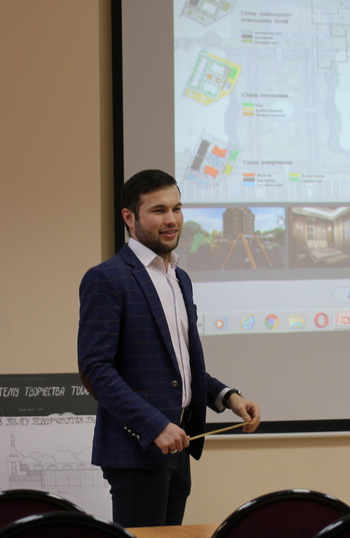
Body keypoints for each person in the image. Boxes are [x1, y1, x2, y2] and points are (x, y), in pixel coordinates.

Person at [77, 169, 261, 528]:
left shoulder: (179, 278)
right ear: (129, 217)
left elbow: (180, 365)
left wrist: (228, 396)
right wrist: (154, 425)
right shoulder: (107, 278)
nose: (172, 220)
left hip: (179, 445)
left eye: (177, 209)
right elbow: (95, 369)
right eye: (159, 210)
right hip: (137, 448)